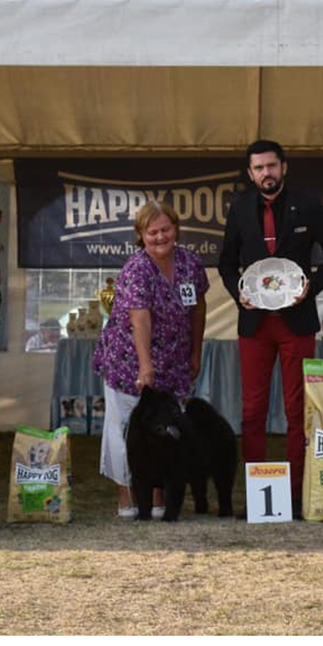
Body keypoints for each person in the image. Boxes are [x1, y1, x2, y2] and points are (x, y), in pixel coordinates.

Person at [218, 140, 323, 517]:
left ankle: (295, 495)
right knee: (252, 412)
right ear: (250, 174)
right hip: (255, 324)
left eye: (271, 166)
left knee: (297, 411)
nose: (266, 173)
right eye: (259, 168)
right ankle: (256, 496)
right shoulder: (240, 209)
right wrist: (238, 293)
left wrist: (311, 286)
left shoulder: (307, 204)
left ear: (284, 167)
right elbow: (226, 263)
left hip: (297, 322)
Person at [92, 200, 208, 519]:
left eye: (165, 230)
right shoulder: (136, 269)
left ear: (176, 229)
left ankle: (158, 495)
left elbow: (198, 308)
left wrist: (196, 351)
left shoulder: (191, 263)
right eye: (152, 232)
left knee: (167, 428)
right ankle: (126, 495)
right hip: (129, 359)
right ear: (141, 235)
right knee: (125, 429)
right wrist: (145, 366)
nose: (160, 237)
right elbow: (139, 320)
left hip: (174, 358)